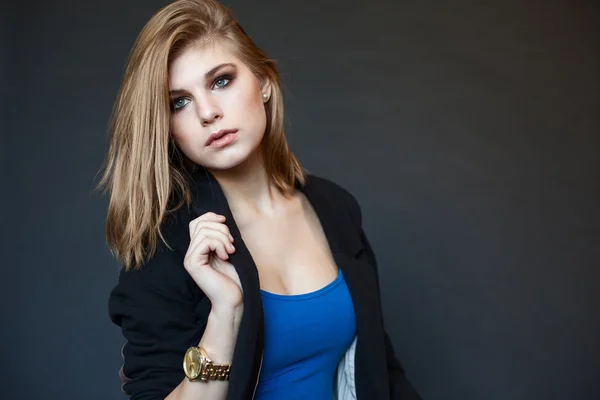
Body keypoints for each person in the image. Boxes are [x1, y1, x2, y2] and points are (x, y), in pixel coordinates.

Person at [99, 0, 422, 399]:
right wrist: (225, 314)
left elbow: (382, 372)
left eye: (221, 80)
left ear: (264, 82)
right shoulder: (165, 244)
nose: (207, 112)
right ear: (167, 129)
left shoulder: (335, 207)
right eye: (178, 102)